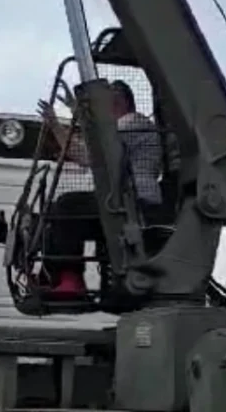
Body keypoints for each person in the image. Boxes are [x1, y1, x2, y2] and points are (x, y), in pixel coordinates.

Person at [42, 80, 165, 297]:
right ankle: (56, 276)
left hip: (136, 203)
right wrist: (61, 121)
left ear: (121, 101)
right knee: (54, 211)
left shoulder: (133, 122)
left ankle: (71, 278)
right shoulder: (121, 129)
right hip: (123, 201)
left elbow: (90, 152)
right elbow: (86, 149)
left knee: (68, 205)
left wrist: (69, 117)